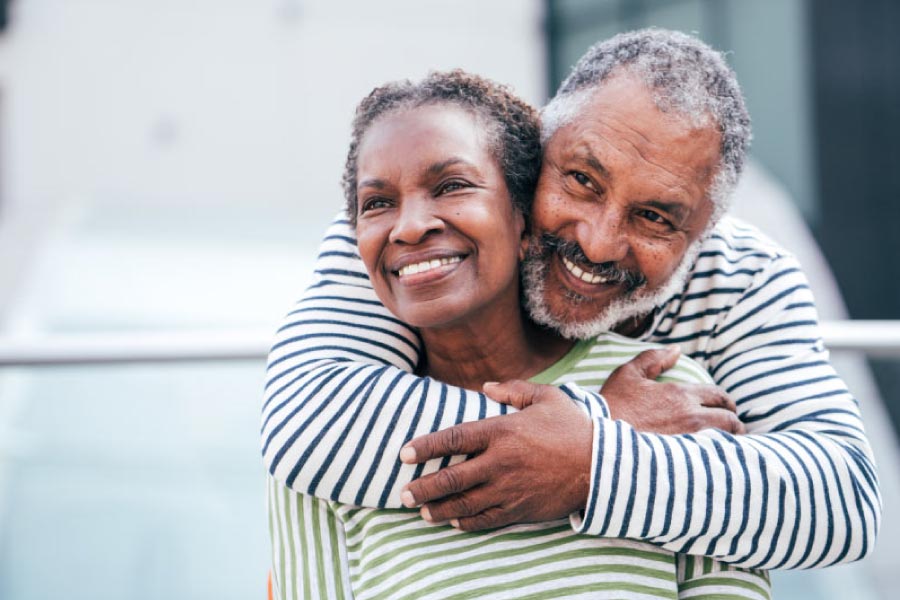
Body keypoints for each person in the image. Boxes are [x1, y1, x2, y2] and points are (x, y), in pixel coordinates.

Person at [262, 27, 879, 574]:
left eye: (655, 217)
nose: (599, 241)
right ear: (537, 148)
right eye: (581, 180)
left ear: (704, 232)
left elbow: (840, 502)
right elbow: (309, 419)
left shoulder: (745, 277)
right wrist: (598, 426)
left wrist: (590, 463)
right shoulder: (413, 238)